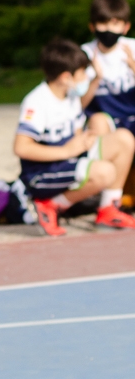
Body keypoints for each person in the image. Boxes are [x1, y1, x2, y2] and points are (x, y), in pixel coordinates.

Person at [14, 37, 135, 236]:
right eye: (83, 73)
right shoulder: (37, 102)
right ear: (65, 77)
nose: (85, 77)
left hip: (68, 160)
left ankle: (109, 209)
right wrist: (66, 151)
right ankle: (51, 205)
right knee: (105, 171)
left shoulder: (69, 95)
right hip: (42, 173)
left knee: (123, 139)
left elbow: (77, 127)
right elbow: (21, 147)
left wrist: (84, 141)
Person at [81, 0, 135, 136]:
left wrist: (133, 65)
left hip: (132, 117)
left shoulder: (132, 48)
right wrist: (96, 79)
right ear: (92, 26)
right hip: (105, 123)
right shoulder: (83, 55)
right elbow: (77, 105)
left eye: (115, 23)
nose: (109, 29)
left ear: (126, 27)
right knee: (98, 121)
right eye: (103, 23)